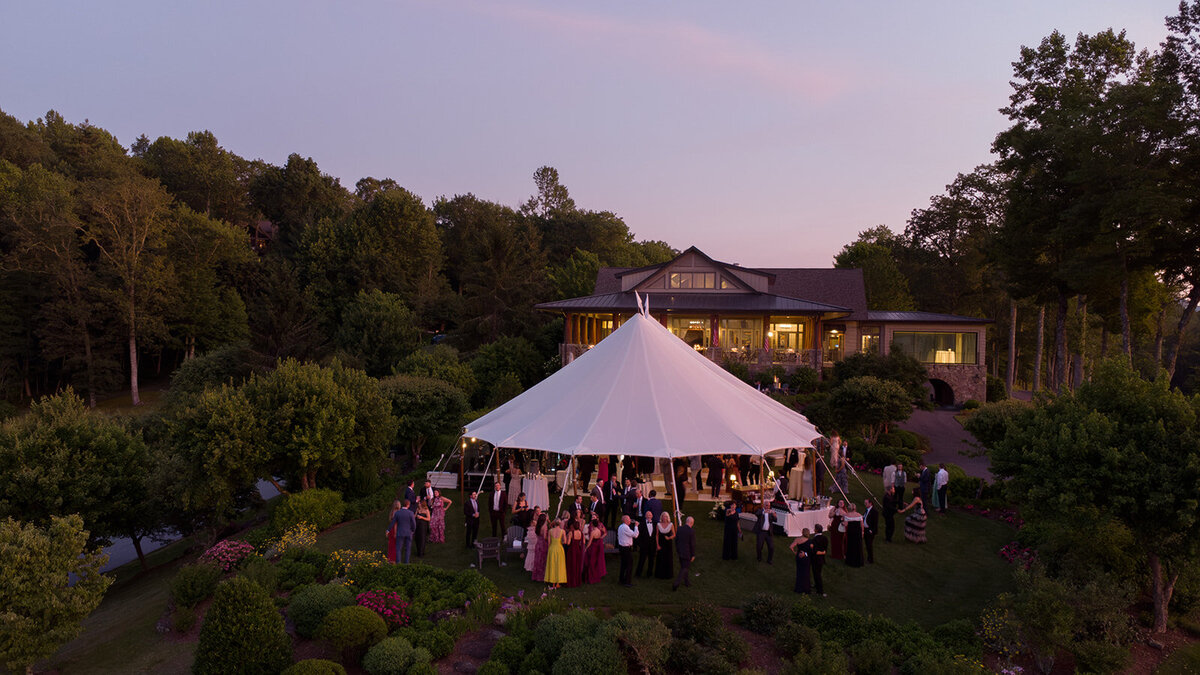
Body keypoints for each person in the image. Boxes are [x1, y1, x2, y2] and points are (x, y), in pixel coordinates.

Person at [673, 516, 697, 591]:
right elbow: (692, 544)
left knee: (684, 566)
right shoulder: (691, 531)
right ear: (692, 523)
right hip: (687, 553)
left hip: (680, 551)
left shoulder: (679, 529)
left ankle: (686, 581)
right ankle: (676, 583)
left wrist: (677, 549)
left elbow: (676, 540)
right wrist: (693, 554)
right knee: (684, 568)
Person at [389, 499, 417, 564]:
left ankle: (398, 562)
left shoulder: (398, 513)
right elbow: (414, 524)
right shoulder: (411, 513)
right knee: (407, 549)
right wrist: (413, 530)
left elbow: (393, 522)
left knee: (398, 548)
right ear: (408, 505)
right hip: (408, 532)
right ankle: (406, 563)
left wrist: (388, 530)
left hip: (400, 532)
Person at [544, 518, 568, 588]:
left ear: (554, 523)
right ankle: (558, 582)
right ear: (560, 524)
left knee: (552, 564)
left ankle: (552, 582)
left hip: (552, 548)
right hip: (559, 548)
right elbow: (565, 542)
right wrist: (560, 542)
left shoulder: (550, 531)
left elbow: (548, 542)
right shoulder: (562, 531)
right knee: (559, 565)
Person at [584, 517, 607, 584]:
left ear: (593, 525)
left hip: (593, 548)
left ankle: (591, 577)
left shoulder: (593, 532)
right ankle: (595, 576)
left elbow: (590, 542)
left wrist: (586, 548)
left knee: (590, 562)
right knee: (595, 562)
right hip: (597, 547)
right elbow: (602, 535)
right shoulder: (599, 531)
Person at [789, 528, 811, 594]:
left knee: (799, 572)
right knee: (806, 573)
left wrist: (795, 552)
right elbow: (811, 552)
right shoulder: (810, 541)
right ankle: (806, 589)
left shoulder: (797, 539)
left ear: (802, 532)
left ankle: (799, 588)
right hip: (806, 558)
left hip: (799, 557)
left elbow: (791, 547)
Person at [654, 512, 676, 580]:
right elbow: (657, 535)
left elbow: (674, 534)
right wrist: (657, 545)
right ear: (661, 517)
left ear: (668, 517)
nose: (664, 518)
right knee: (660, 558)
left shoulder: (671, 524)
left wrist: (669, 538)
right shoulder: (658, 524)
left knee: (668, 558)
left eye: (666, 516)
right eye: (663, 516)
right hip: (661, 543)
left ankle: (668, 574)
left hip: (668, 544)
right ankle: (660, 574)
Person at [616, 515, 636, 587]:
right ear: (626, 520)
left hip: (622, 547)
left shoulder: (621, 526)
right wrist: (636, 526)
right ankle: (627, 581)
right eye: (629, 519)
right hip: (626, 548)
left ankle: (621, 580)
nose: (630, 520)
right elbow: (635, 535)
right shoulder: (625, 528)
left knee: (623, 564)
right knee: (629, 564)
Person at [809, 523, 828, 596]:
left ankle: (820, 591)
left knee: (817, 575)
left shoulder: (814, 540)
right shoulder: (825, 538)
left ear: (816, 530)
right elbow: (825, 550)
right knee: (818, 573)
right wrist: (823, 552)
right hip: (821, 559)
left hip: (815, 560)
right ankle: (817, 585)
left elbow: (815, 551)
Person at [636, 511, 656, 578]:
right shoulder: (641, 524)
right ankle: (638, 574)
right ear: (645, 516)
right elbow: (638, 535)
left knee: (651, 560)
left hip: (652, 546)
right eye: (647, 515)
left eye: (650, 515)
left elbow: (656, 535)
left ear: (652, 516)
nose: (649, 516)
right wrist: (640, 544)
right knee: (641, 560)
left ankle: (649, 574)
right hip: (644, 546)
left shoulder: (655, 524)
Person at [565, 519, 585, 588]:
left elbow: (568, 543)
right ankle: (577, 581)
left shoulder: (571, 533)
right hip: (578, 550)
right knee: (577, 565)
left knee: (571, 565)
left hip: (572, 550)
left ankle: (571, 581)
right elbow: (583, 542)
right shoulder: (581, 533)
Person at [844, 503, 864, 568]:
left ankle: (851, 561)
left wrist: (842, 522)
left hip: (851, 533)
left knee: (851, 546)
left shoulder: (847, 515)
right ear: (855, 508)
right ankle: (858, 561)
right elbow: (862, 525)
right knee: (858, 546)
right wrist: (862, 532)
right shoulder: (859, 515)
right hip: (858, 533)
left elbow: (846, 525)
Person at [531, 514, 550, 582]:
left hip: (538, 543)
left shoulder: (538, 526)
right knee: (542, 560)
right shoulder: (544, 527)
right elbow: (545, 537)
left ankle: (535, 576)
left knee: (537, 560)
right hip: (543, 544)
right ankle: (541, 576)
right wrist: (549, 538)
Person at [524, 512, 541, 577]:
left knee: (530, 555)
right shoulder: (534, 530)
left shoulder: (529, 530)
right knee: (533, 555)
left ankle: (528, 566)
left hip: (531, 543)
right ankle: (532, 566)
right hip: (534, 542)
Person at [863, 497, 878, 564]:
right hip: (865, 529)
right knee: (867, 544)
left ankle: (870, 559)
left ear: (870, 503)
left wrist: (871, 530)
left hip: (869, 530)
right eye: (865, 503)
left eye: (866, 503)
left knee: (869, 545)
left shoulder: (874, 511)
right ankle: (868, 558)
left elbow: (875, 522)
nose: (865, 504)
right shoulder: (867, 510)